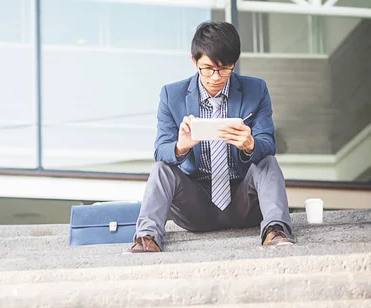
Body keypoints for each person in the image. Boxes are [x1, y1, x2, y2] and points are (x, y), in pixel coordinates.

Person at [126, 21, 295, 254]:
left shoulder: (256, 90)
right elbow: (160, 150)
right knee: (161, 169)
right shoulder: (171, 95)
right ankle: (147, 237)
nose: (216, 77)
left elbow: (268, 143)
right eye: (207, 68)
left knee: (267, 162)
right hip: (195, 205)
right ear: (194, 61)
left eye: (225, 69)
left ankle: (275, 229)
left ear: (234, 64)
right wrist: (180, 147)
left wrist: (250, 145)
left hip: (243, 202)